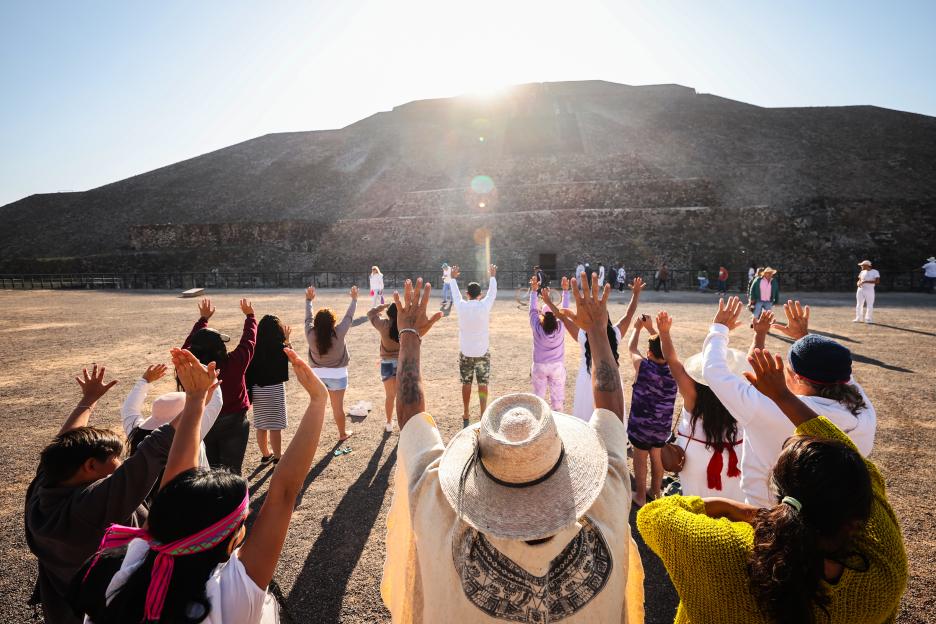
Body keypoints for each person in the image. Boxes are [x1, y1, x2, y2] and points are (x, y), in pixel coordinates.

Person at [381, 275, 645, 623]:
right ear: (562, 459)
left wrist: (409, 335)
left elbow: (410, 414)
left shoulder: (441, 518)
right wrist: (597, 330)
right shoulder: (606, 505)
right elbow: (611, 410)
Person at [638, 348, 907, 624]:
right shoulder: (885, 573)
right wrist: (784, 396)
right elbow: (864, 471)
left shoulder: (722, 549)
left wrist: (745, 513)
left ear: (782, 493)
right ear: (857, 513)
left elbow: (652, 515)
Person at [71, 347, 330, 624]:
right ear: (228, 537)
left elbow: (177, 492)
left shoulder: (131, 565)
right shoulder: (230, 596)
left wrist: (195, 400)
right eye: (242, 521)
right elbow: (284, 492)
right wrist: (318, 400)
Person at [25, 365, 173, 624]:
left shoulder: (46, 485)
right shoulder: (91, 505)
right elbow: (153, 451)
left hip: (61, 605)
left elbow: (63, 442)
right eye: (116, 459)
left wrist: (88, 400)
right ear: (90, 466)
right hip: (107, 606)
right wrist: (197, 400)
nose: (120, 463)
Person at [702, 297, 877, 507]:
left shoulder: (768, 408)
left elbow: (714, 371)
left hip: (769, 514)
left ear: (797, 378)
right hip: (835, 517)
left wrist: (719, 329)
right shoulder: (864, 410)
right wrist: (806, 340)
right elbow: (841, 373)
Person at [656, 311, 745, 501]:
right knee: (733, 507)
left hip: (694, 459)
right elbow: (753, 361)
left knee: (697, 508)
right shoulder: (740, 395)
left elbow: (672, 360)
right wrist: (760, 334)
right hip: (735, 459)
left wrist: (664, 333)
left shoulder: (692, 394)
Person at [182, 297, 257, 475]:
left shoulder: (191, 367)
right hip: (234, 421)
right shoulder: (234, 363)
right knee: (232, 471)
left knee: (208, 470)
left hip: (203, 419)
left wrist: (202, 320)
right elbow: (249, 342)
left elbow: (187, 346)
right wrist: (250, 317)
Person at [559, 277, 644, 422]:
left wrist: (557, 297)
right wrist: (636, 294)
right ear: (606, 318)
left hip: (586, 382)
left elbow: (563, 317)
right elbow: (629, 314)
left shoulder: (583, 335)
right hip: (611, 381)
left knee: (586, 424)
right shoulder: (615, 334)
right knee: (611, 422)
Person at [121, 363, 223, 469]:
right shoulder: (189, 436)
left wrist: (145, 380)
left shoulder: (137, 432)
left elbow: (129, 409)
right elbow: (216, 402)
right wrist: (202, 368)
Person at [626, 314, 678, 507]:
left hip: (641, 425)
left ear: (649, 353)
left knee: (640, 458)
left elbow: (631, 348)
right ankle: (655, 492)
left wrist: (638, 329)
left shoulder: (643, 366)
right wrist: (655, 331)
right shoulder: (674, 371)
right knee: (657, 457)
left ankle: (640, 495)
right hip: (661, 426)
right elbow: (665, 349)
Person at [368, 301, 441, 433]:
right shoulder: (404, 329)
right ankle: (406, 425)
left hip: (387, 363)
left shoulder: (383, 325)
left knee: (390, 396)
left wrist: (383, 306)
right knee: (405, 396)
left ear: (389, 314)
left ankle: (389, 423)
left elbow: (370, 313)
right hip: (403, 362)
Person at [305, 285, 358, 442]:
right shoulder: (339, 332)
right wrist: (354, 299)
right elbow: (348, 317)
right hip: (338, 375)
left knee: (316, 409)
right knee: (338, 408)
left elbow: (308, 318)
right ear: (333, 322)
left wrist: (308, 300)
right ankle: (342, 434)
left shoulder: (310, 333)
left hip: (317, 376)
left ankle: (311, 438)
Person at [449, 263, 498, 428]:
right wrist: (492, 276)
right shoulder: (484, 305)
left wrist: (453, 278)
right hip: (482, 351)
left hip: (466, 351)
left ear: (467, 294)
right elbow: (493, 293)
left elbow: (455, 295)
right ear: (480, 294)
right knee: (483, 383)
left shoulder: (462, 306)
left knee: (466, 383)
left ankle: (466, 411)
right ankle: (483, 413)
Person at [245, 314, 291, 464]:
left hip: (258, 389)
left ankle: (266, 455)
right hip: (275, 389)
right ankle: (278, 457)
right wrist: (287, 340)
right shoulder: (280, 346)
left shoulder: (254, 347)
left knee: (261, 425)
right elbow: (292, 357)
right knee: (275, 427)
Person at [529, 275, 571, 410]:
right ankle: (558, 422)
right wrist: (565, 291)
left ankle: (538, 423)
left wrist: (534, 291)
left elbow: (532, 311)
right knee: (557, 401)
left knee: (538, 399)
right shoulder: (561, 326)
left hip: (539, 365)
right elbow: (565, 311)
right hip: (557, 366)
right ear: (555, 315)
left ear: (542, 314)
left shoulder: (536, 326)